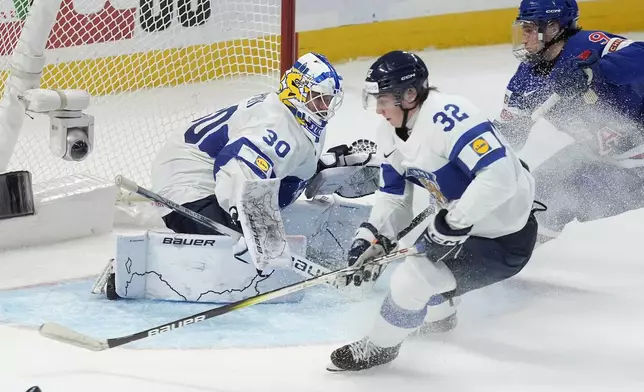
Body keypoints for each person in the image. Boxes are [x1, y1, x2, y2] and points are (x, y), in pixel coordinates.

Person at [95, 53, 384, 304]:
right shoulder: (277, 123)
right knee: (235, 252)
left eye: (328, 101)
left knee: (258, 239)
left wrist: (332, 165)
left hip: (216, 178)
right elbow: (236, 166)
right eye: (318, 98)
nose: (323, 107)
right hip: (190, 182)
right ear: (298, 90)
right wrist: (254, 229)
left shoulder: (298, 120)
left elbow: (288, 173)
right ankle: (129, 269)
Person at [327, 50, 539, 371]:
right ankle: (442, 317)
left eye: (384, 99)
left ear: (410, 94)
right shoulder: (388, 132)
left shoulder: (449, 114)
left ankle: (381, 346)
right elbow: (393, 196)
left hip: (503, 238)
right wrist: (372, 239)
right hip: (462, 227)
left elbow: (500, 176)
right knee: (424, 268)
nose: (379, 108)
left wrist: (453, 223)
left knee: (412, 279)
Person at [496, 0, 644, 241]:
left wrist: (595, 71)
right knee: (535, 188)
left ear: (553, 28)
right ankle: (506, 250)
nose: (524, 39)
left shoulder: (591, 46)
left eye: (530, 30)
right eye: (522, 30)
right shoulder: (525, 80)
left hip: (639, 163)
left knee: (564, 196)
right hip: (600, 154)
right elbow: (510, 134)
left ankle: (512, 253)